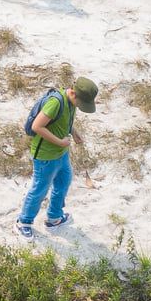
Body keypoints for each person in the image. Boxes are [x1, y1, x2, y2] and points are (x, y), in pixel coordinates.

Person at [18, 77, 99, 237]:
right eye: (81, 103)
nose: (80, 107)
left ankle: (54, 218)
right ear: (74, 94)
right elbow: (37, 126)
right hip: (45, 156)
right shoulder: (56, 102)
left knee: (64, 181)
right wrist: (60, 142)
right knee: (40, 189)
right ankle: (23, 222)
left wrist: (74, 133)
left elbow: (66, 120)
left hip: (61, 154)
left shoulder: (71, 102)